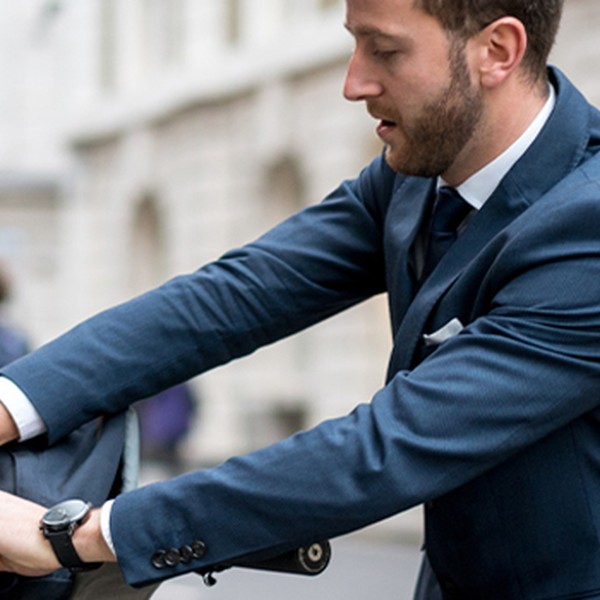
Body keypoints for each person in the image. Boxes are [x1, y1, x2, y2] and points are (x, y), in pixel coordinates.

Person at [0, 0, 600, 597]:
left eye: (385, 50)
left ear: (497, 50)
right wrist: (10, 405)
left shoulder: (587, 227)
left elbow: (385, 447)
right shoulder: (413, 175)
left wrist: (73, 535)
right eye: (353, 43)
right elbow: (233, 296)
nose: (352, 83)